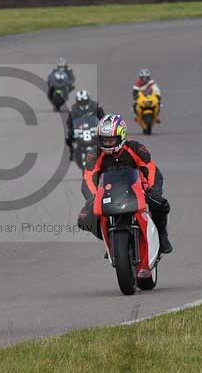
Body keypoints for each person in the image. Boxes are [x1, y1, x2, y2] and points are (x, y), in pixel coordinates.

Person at [77, 114, 173, 254]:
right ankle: (110, 238)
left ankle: (162, 236)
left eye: (111, 140)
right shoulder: (95, 154)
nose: (107, 143)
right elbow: (88, 177)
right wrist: (92, 198)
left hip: (139, 191)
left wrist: (153, 191)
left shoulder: (135, 148)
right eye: (104, 140)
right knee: (84, 220)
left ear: (121, 136)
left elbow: (150, 169)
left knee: (161, 205)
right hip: (108, 194)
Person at [65, 90, 105, 160]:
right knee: (69, 135)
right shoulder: (73, 108)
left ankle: (106, 151)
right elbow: (69, 121)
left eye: (85, 101)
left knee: (105, 135)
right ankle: (72, 152)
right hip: (80, 127)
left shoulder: (95, 105)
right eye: (81, 102)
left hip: (93, 126)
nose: (83, 103)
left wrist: (102, 125)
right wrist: (71, 128)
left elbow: (102, 116)